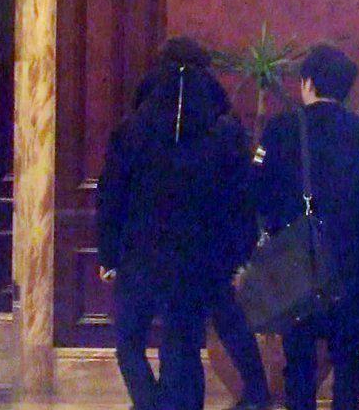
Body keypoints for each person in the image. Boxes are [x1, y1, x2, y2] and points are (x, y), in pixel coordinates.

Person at [97, 37, 269, 410]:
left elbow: (111, 194)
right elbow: (241, 199)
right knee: (183, 346)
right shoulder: (224, 130)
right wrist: (238, 255)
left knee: (129, 342)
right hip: (200, 258)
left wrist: (108, 254)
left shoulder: (132, 128)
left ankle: (149, 403)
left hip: (140, 254)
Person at [256, 45, 359, 410]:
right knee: (348, 356)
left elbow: (260, 193)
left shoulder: (280, 131)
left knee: (298, 356)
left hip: (297, 262)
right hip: (352, 265)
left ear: (307, 83)